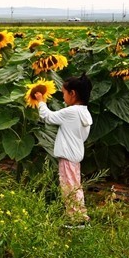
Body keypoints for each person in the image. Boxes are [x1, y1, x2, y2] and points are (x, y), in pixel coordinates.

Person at [32, 76, 93, 227]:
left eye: (64, 93)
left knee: (69, 187)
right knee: (74, 185)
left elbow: (48, 117)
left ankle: (76, 219)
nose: (63, 96)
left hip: (67, 157)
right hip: (75, 155)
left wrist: (40, 100)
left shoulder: (71, 112)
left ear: (72, 94)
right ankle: (78, 216)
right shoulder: (84, 112)